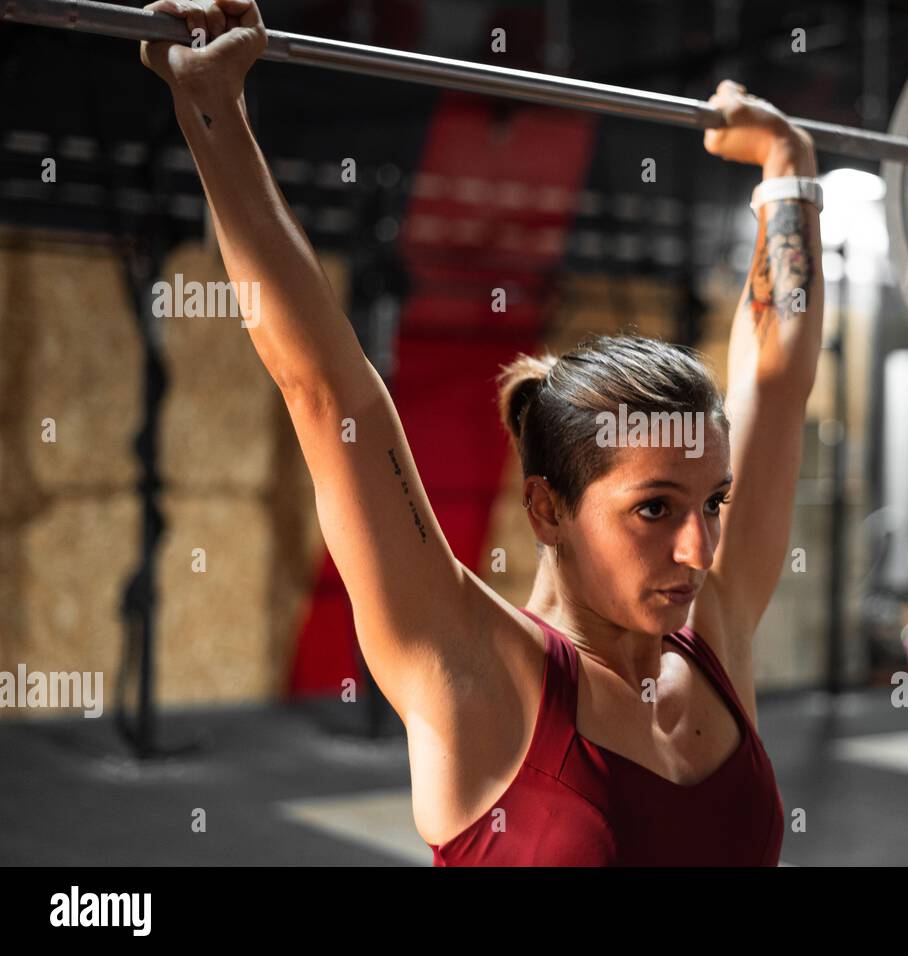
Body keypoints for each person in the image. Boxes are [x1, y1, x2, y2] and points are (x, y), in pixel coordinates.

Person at [141, 0, 823, 865]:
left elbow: (779, 374)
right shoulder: (473, 666)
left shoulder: (715, 632)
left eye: (713, 501)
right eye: (655, 509)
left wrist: (788, 170)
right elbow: (327, 394)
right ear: (547, 508)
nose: (699, 547)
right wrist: (213, 112)